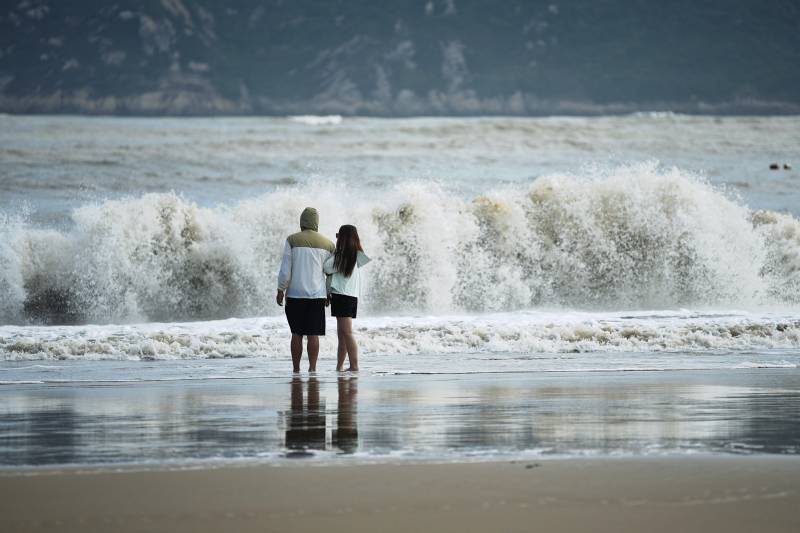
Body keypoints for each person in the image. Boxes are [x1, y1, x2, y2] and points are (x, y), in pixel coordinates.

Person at [276, 207, 335, 372]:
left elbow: (285, 270)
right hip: (317, 296)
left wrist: (281, 289)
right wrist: (329, 293)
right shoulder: (328, 244)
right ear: (317, 223)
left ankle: (296, 369)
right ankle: (313, 369)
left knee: (296, 333)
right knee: (313, 334)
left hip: (295, 295)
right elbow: (330, 273)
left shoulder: (292, 240)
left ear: (302, 222)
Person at [323, 225, 370, 372]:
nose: (336, 238)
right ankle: (340, 366)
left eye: (338, 236)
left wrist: (335, 251)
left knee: (346, 333)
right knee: (342, 334)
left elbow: (326, 267)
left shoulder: (343, 255)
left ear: (342, 238)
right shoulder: (355, 254)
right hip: (350, 296)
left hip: (342, 296)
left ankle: (354, 366)